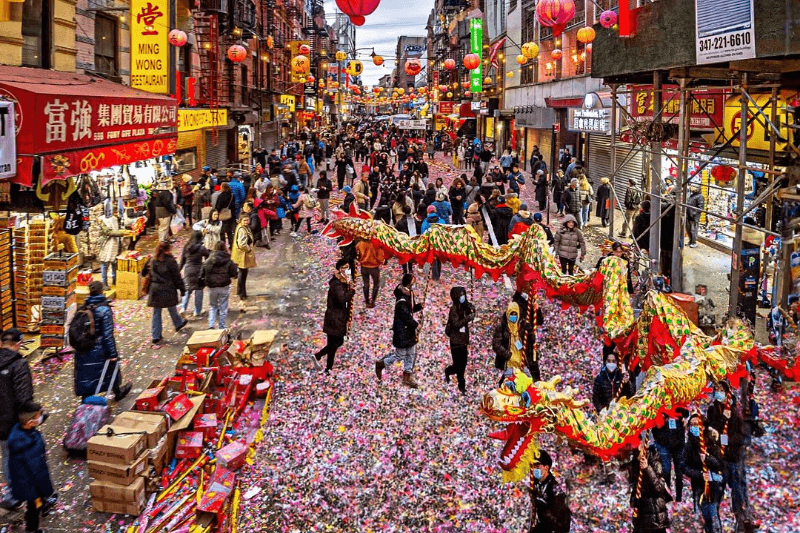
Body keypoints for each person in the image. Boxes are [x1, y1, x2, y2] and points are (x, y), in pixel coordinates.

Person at [707, 382, 758, 532]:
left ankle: (741, 520)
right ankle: (714, 523)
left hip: (733, 457)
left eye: (721, 390)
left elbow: (743, 437)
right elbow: (711, 428)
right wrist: (721, 421)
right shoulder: (712, 410)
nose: (718, 392)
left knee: (737, 491)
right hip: (718, 458)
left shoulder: (736, 412)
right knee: (716, 491)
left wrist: (727, 440)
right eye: (716, 390)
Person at [74, 281, 133, 399]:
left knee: (87, 373)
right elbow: (107, 334)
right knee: (110, 369)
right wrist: (113, 353)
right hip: (99, 349)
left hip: (84, 348)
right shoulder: (104, 309)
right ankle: (117, 392)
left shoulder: (83, 307)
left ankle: (86, 399)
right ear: (102, 291)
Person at [8, 401, 57, 533]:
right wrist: (45, 488)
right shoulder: (27, 445)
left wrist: (41, 411)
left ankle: (43, 503)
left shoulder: (22, 429)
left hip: (29, 481)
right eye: (39, 415)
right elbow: (36, 470)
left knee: (37, 502)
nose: (41, 417)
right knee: (34, 507)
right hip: (31, 484)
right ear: (31, 422)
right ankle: (32, 529)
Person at [0, 329, 33, 511]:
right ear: (18, 344)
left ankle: (12, 494)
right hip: (15, 421)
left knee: (6, 455)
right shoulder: (19, 363)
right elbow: (23, 398)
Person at [375, 274, 424, 388]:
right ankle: (382, 364)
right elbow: (405, 315)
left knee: (411, 353)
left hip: (409, 331)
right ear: (408, 284)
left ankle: (407, 376)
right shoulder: (402, 299)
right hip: (402, 331)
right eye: (413, 282)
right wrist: (416, 324)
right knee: (400, 355)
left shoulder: (409, 294)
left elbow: (410, 309)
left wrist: (418, 307)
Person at [684, 413, 726, 533]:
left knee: (713, 513)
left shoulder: (713, 441)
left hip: (715, 483)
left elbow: (721, 464)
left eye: (697, 424)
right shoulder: (688, 446)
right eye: (692, 425)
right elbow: (685, 467)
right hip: (699, 484)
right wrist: (700, 474)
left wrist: (707, 458)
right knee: (706, 515)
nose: (694, 427)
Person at [313, 259, 355, 373]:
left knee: (335, 343)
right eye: (344, 268)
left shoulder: (342, 282)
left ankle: (325, 363)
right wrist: (351, 292)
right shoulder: (336, 284)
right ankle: (322, 360)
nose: (346, 270)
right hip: (335, 318)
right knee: (335, 343)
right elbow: (342, 299)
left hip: (338, 317)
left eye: (347, 267)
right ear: (339, 269)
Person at [143, 242, 187, 345]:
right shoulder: (171, 261)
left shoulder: (152, 260)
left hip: (155, 289)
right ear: (168, 250)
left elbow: (144, 272)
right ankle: (178, 323)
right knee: (171, 307)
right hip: (168, 289)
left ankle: (156, 335)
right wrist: (182, 289)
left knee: (157, 312)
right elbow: (177, 277)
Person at [628, 441, 672, 533]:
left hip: (655, 519)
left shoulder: (654, 460)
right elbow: (634, 487)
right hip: (641, 519)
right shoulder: (633, 463)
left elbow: (659, 488)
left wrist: (647, 468)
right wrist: (634, 501)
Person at [652, 408, 689, 503]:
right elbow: (653, 424)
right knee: (666, 470)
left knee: (679, 471)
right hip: (663, 443)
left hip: (678, 443)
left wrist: (681, 414)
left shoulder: (678, 406)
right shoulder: (658, 406)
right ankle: (667, 495)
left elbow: (686, 412)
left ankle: (679, 497)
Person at [529, 449, 571, 533]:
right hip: (540, 525)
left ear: (546, 467)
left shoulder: (555, 488)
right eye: (532, 465)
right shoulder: (534, 483)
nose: (534, 469)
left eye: (537, 466)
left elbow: (560, 518)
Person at [444, 286, 475, 394]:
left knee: (463, 363)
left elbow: (471, 311)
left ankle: (451, 372)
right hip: (456, 340)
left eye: (464, 295)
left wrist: (471, 309)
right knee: (458, 365)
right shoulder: (454, 309)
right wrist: (467, 318)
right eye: (461, 295)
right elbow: (456, 324)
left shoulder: (464, 306)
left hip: (463, 340)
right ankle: (461, 385)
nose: (463, 297)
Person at [200, 242, 238, 330]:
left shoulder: (208, 260)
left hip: (212, 286)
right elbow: (234, 274)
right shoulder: (228, 260)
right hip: (224, 285)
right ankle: (222, 325)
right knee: (223, 306)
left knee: (213, 306)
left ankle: (211, 325)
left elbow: (202, 273)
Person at [180, 230, 210, 319]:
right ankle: (197, 311)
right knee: (199, 290)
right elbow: (208, 258)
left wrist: (178, 271)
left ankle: (183, 308)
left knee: (187, 289)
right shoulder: (201, 248)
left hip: (188, 269)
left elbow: (182, 261)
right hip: (199, 270)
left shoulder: (186, 247)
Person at [232, 212, 256, 311]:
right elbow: (242, 243)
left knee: (242, 273)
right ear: (240, 221)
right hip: (242, 255)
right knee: (242, 273)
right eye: (245, 220)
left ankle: (241, 291)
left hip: (240, 254)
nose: (246, 222)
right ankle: (242, 293)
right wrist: (248, 249)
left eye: (247, 220)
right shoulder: (242, 229)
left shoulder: (242, 227)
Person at [356, 239, 385, 308]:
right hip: (374, 267)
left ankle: (367, 301)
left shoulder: (360, 243)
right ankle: (372, 301)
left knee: (366, 284)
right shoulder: (376, 244)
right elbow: (380, 258)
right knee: (376, 284)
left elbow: (357, 255)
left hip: (364, 267)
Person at [421, 206, 442, 281]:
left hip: (430, 242)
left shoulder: (425, 221)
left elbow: (423, 232)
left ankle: (435, 276)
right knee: (439, 258)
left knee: (433, 258)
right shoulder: (441, 220)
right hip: (439, 242)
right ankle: (438, 275)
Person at [215, 182, 236, 247]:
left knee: (222, 231)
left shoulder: (220, 196)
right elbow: (233, 206)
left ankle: (222, 245)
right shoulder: (232, 195)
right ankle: (231, 244)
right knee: (229, 231)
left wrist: (217, 213)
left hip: (222, 215)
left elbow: (218, 206)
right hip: (230, 215)